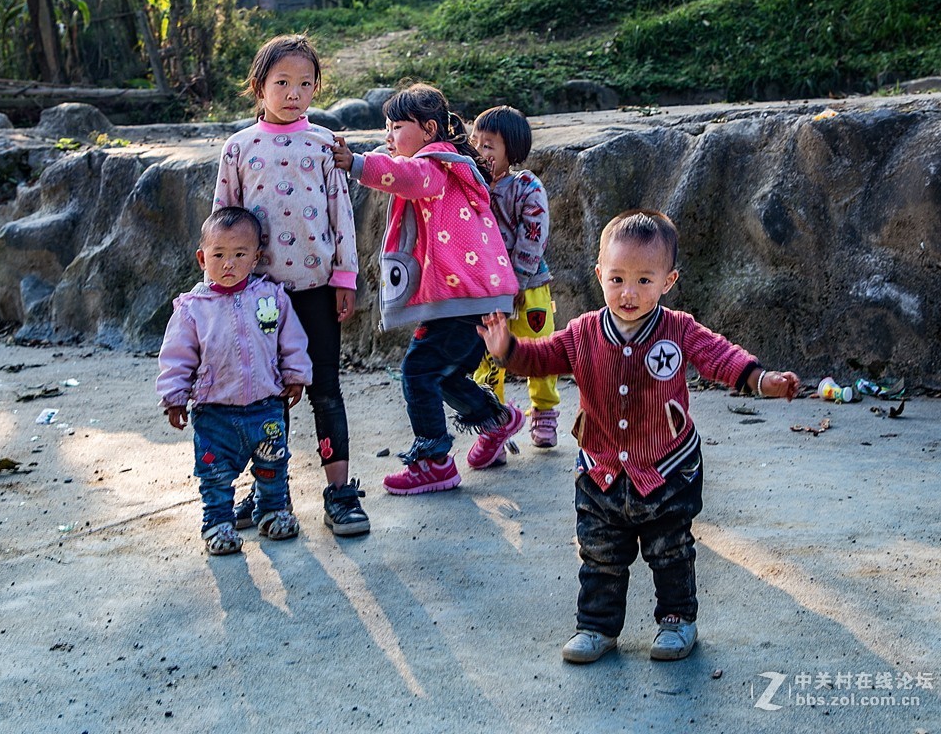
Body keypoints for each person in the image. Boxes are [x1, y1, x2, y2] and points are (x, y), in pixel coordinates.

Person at [477, 209, 800, 662]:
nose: (629, 292)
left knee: (671, 551)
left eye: (645, 280)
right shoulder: (583, 332)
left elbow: (719, 357)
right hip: (601, 472)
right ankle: (597, 627)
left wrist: (761, 380)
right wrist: (506, 348)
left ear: (668, 281)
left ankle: (677, 621)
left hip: (667, 469)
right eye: (617, 279)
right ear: (599, 275)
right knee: (599, 554)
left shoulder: (678, 329)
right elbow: (543, 358)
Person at [330, 83, 524, 495]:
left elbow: (403, 174)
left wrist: (354, 162)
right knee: (448, 375)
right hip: (481, 298)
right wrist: (376, 154)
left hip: (463, 300)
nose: (389, 135)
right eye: (387, 126)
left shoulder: (434, 167)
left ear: (429, 128)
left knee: (418, 372)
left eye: (397, 126)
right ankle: (497, 420)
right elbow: (396, 162)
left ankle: (434, 460)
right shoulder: (452, 166)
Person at [213, 34, 370, 536]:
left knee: (325, 389)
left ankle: (340, 494)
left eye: (305, 84)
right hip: (259, 296)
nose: (294, 93)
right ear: (259, 87)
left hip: (318, 290)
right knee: (266, 396)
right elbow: (224, 219)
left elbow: (341, 215)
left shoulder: (325, 145)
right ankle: (267, 491)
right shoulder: (238, 148)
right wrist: (222, 283)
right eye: (282, 83)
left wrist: (345, 277)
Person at [157, 207, 312, 556]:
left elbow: (292, 341)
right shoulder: (192, 309)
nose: (229, 264)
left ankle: (272, 511)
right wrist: (174, 397)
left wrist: (296, 376)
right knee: (214, 474)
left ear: (256, 257)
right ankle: (218, 524)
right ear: (202, 258)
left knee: (272, 462)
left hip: (265, 406)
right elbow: (176, 356)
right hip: (214, 412)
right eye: (219, 255)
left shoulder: (271, 298)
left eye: (240, 255)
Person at [470, 105, 560, 452]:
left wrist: (519, 280)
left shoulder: (526, 186)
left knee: (539, 350)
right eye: (476, 143)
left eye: (489, 146)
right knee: (487, 355)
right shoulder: (472, 185)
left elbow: (533, 235)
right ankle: (493, 419)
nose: (480, 152)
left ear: (513, 150)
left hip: (529, 288)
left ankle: (544, 412)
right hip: (487, 291)